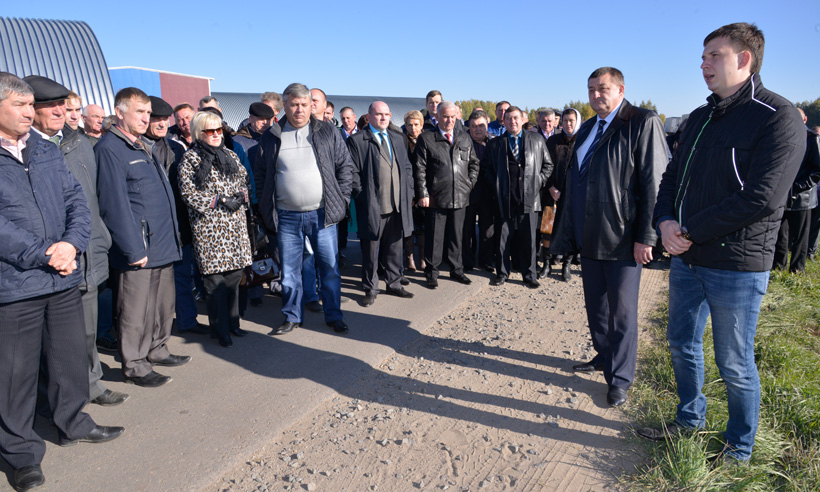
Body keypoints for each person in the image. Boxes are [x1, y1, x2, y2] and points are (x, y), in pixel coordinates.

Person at [643, 23, 806, 463]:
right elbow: (672, 177)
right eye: (703, 56)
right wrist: (665, 221)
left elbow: (762, 197)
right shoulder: (700, 117)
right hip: (687, 259)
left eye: (714, 55)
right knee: (681, 344)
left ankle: (739, 448)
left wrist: (688, 231)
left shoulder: (777, 117)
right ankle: (688, 419)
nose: (704, 64)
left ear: (745, 59)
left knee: (733, 361)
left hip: (736, 264)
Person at [0, 72, 124, 492]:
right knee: (14, 376)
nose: (28, 112)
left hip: (62, 277)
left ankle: (73, 422)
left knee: (69, 359)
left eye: (29, 105)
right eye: (20, 105)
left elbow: (76, 200)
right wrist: (44, 253)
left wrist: (71, 244)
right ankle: (20, 454)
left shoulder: (44, 149)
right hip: (16, 285)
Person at [550, 67, 668, 408]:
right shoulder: (588, 127)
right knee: (597, 309)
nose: (596, 95)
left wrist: (647, 236)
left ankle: (620, 379)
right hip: (589, 236)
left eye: (602, 88)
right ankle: (604, 356)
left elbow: (655, 182)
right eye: (591, 89)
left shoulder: (642, 122)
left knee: (622, 314)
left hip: (623, 238)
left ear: (621, 90)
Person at [24, 74, 128, 407]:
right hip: (47, 261)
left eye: (66, 106)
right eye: (52, 106)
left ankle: (90, 386)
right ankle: (52, 400)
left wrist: (101, 239)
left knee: (86, 330)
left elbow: (93, 200)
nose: (62, 112)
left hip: (87, 252)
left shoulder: (81, 144)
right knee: (49, 340)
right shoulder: (22, 149)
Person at [96, 87, 189, 388]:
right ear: (120, 112)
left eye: (148, 112)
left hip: (162, 242)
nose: (146, 118)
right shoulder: (110, 148)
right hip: (139, 247)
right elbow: (114, 205)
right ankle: (135, 365)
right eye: (140, 111)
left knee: (162, 305)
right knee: (135, 310)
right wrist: (132, 248)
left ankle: (157, 349)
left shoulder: (142, 146)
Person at [256, 83, 353, 335]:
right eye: (294, 104)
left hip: (322, 215)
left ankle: (334, 315)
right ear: (284, 106)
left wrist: (341, 201)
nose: (299, 109)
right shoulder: (272, 136)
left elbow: (345, 167)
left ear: (311, 106)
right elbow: (261, 176)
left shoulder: (327, 131)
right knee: (290, 271)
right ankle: (292, 316)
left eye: (304, 104)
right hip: (287, 217)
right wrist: (266, 208)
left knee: (329, 269)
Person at [178, 111, 252, 347]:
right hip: (209, 231)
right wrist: (218, 200)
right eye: (210, 131)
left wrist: (241, 197)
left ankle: (233, 323)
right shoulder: (191, 159)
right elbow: (188, 194)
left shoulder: (230, 154)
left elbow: (245, 181)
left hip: (235, 228)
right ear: (199, 133)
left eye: (219, 130)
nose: (217, 134)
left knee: (234, 279)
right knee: (214, 284)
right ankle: (220, 330)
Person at [347, 101, 415, 306]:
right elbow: (353, 173)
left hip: (397, 205)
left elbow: (407, 167)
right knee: (371, 251)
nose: (383, 117)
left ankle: (394, 283)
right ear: (369, 116)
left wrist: (409, 191)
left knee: (395, 248)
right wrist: (363, 195)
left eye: (386, 114)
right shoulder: (358, 140)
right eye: (378, 114)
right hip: (372, 206)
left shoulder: (398, 138)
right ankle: (370, 288)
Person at [482, 106, 553, 288]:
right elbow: (486, 168)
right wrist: (496, 185)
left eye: (515, 118)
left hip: (529, 198)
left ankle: (529, 275)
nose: (512, 121)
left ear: (522, 119)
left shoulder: (537, 140)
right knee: (502, 239)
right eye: (508, 118)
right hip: (504, 199)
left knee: (529, 240)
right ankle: (502, 273)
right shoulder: (495, 144)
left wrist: (538, 182)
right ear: (504, 121)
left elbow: (548, 165)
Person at [414, 100, 479, 289]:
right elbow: (419, 169)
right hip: (436, 197)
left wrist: (469, 184)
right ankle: (431, 272)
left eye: (452, 117)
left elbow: (474, 163)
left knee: (456, 237)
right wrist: (423, 193)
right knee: (435, 237)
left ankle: (456, 270)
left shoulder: (464, 138)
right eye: (445, 117)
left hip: (460, 197)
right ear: (437, 116)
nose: (449, 120)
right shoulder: (427, 138)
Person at [772, 108, 820, 273]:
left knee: (800, 236)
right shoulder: (782, 135)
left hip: (802, 197)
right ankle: (778, 266)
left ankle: (797, 269)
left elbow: (817, 170)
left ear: (805, 119)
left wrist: (797, 187)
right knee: (781, 234)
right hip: (782, 194)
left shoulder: (812, 138)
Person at [544, 108, 583, 281]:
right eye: (565, 120)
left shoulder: (582, 141)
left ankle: (566, 264)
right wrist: (550, 187)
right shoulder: (553, 141)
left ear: (577, 121)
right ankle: (546, 264)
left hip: (573, 196)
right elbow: (545, 165)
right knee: (547, 228)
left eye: (571, 120)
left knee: (569, 230)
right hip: (551, 193)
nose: (568, 124)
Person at [465, 110, 495, 272]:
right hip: (468, 193)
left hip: (489, 193)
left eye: (481, 126)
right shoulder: (462, 143)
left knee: (487, 229)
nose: (478, 129)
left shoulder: (494, 143)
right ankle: (468, 260)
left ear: (487, 126)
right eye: (474, 126)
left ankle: (486, 260)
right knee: (467, 229)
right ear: (469, 127)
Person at [403, 110, 426, 272]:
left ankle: (423, 258)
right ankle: (410, 259)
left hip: (423, 189)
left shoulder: (427, 140)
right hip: (408, 190)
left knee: (423, 228)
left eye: (416, 124)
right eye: (410, 125)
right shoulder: (402, 141)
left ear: (421, 125)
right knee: (409, 228)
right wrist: (409, 194)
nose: (413, 128)